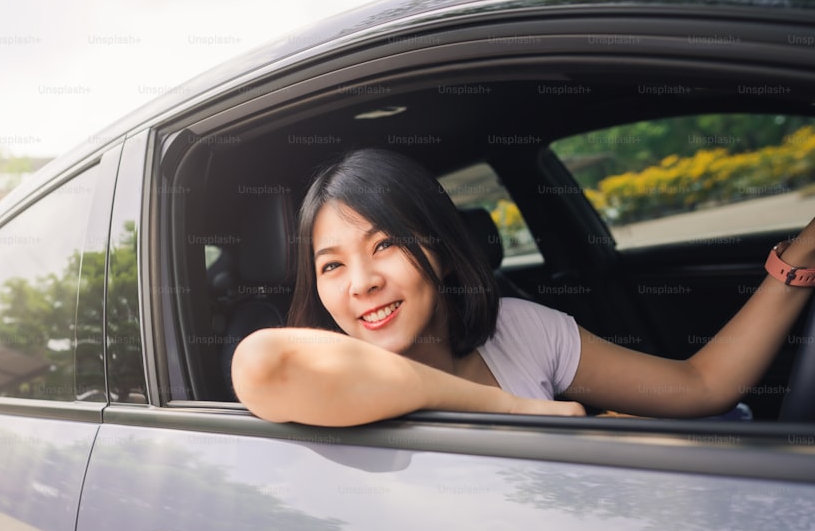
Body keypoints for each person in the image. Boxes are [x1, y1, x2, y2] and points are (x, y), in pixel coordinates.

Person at [231, 148, 815, 426]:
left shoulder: (518, 330)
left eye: (386, 244)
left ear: (444, 250)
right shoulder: (318, 374)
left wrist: (798, 260)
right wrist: (520, 411)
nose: (363, 283)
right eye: (331, 266)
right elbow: (260, 363)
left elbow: (701, 385)